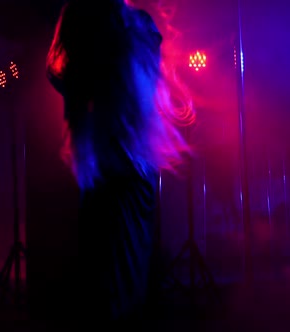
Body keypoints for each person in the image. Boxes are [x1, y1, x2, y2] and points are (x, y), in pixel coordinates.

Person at [46, 0, 194, 321]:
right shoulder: (129, 25)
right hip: (122, 161)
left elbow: (60, 76)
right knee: (121, 262)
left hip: (104, 161)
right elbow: (149, 74)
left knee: (109, 262)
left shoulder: (94, 24)